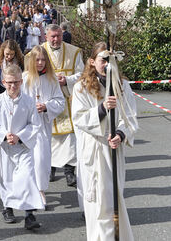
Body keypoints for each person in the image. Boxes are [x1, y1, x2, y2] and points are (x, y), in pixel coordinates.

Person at [72, 42, 138, 241]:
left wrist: (120, 133)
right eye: (103, 60)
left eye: (111, 60)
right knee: (96, 205)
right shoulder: (81, 87)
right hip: (93, 148)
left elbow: (130, 116)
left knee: (112, 200)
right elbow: (79, 117)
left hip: (113, 150)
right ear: (92, 62)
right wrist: (102, 109)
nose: (107, 64)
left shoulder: (122, 86)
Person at [0, 64, 44, 229]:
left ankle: (29, 214)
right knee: (7, 179)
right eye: (9, 82)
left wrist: (20, 136)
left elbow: (35, 124)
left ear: (21, 82)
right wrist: (4, 135)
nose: (13, 86)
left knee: (26, 178)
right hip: (5, 148)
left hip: (23, 148)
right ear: (3, 82)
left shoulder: (29, 101)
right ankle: (8, 207)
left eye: (16, 82)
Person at [42, 24, 84, 187]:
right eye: (52, 36)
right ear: (46, 36)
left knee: (69, 139)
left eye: (58, 36)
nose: (56, 39)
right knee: (49, 138)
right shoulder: (38, 52)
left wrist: (67, 80)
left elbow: (82, 74)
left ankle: (69, 172)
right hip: (48, 101)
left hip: (68, 100)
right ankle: (50, 169)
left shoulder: (74, 52)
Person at [22, 46, 65, 206]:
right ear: (32, 60)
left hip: (42, 126)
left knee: (41, 159)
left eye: (43, 59)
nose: (40, 63)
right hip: (26, 126)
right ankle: (28, 190)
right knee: (27, 160)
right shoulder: (25, 78)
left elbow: (60, 102)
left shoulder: (51, 79)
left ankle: (40, 190)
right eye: (37, 59)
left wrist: (46, 106)